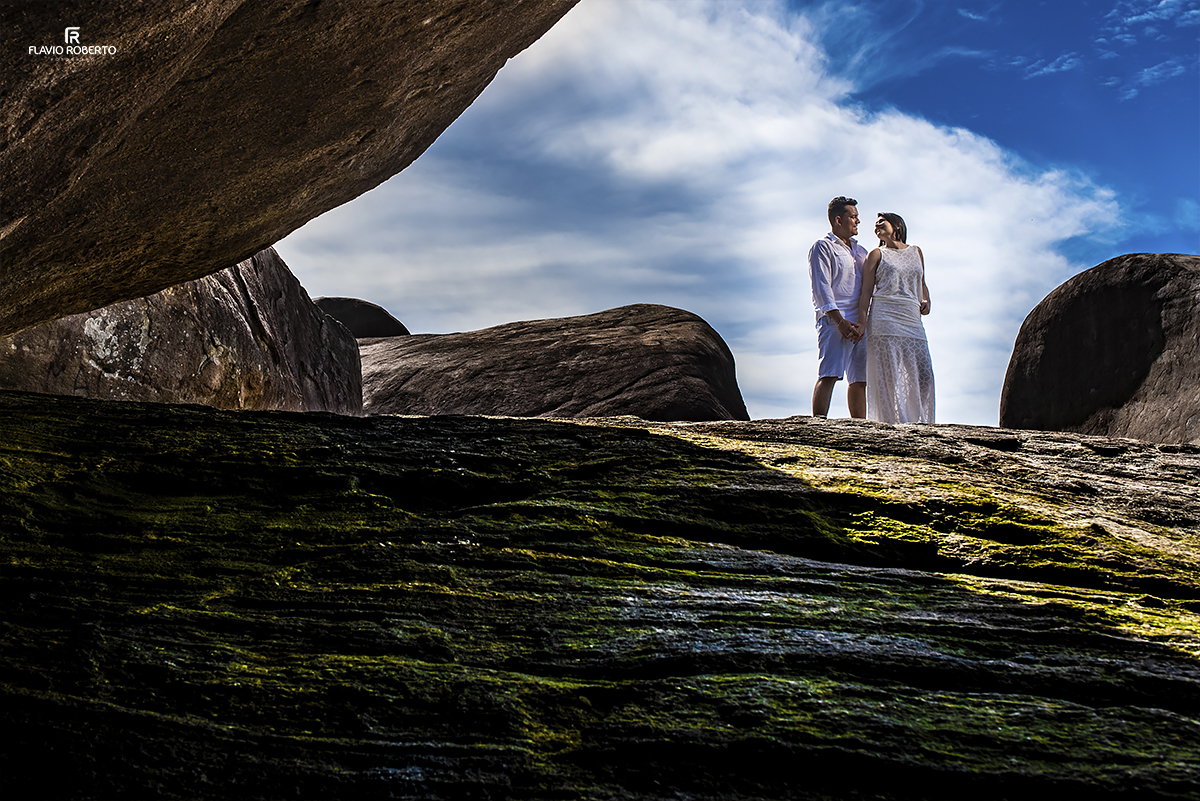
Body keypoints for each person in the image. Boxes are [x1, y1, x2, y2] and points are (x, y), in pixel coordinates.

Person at [856, 212, 935, 423]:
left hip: (911, 320)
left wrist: (926, 300)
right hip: (884, 319)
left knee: (924, 376)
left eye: (881, 222)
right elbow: (866, 292)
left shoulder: (916, 252)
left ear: (896, 225)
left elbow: (922, 283)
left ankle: (918, 422)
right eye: (875, 225)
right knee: (888, 378)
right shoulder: (876, 254)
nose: (877, 226)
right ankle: (892, 425)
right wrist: (862, 323)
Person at [808, 196, 868, 418]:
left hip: (859, 325)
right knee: (829, 374)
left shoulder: (862, 251)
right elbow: (821, 288)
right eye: (853, 217)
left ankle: (860, 428)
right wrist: (840, 322)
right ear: (838, 219)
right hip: (834, 322)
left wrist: (862, 323)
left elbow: (868, 287)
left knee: (860, 379)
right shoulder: (822, 247)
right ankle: (818, 426)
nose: (858, 221)